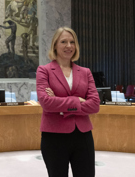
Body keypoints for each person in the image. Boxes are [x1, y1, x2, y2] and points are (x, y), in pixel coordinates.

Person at [36, 27, 100, 177]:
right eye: (63, 41)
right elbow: (46, 103)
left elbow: (95, 104)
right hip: (54, 137)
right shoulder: (44, 71)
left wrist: (59, 104)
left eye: (72, 42)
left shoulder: (86, 72)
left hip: (82, 136)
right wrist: (77, 101)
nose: (69, 46)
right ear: (55, 45)